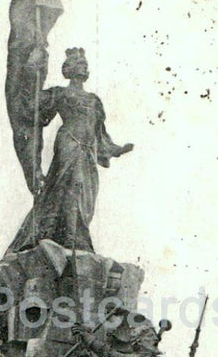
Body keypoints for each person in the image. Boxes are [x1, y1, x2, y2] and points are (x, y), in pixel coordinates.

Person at [8, 48, 133, 253]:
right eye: (79, 64)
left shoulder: (94, 100)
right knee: (69, 186)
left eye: (85, 64)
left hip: (88, 150)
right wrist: (33, 70)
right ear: (69, 69)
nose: (84, 67)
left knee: (85, 192)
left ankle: (77, 233)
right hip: (69, 144)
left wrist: (117, 149)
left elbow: (100, 133)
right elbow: (33, 105)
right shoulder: (60, 93)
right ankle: (69, 235)